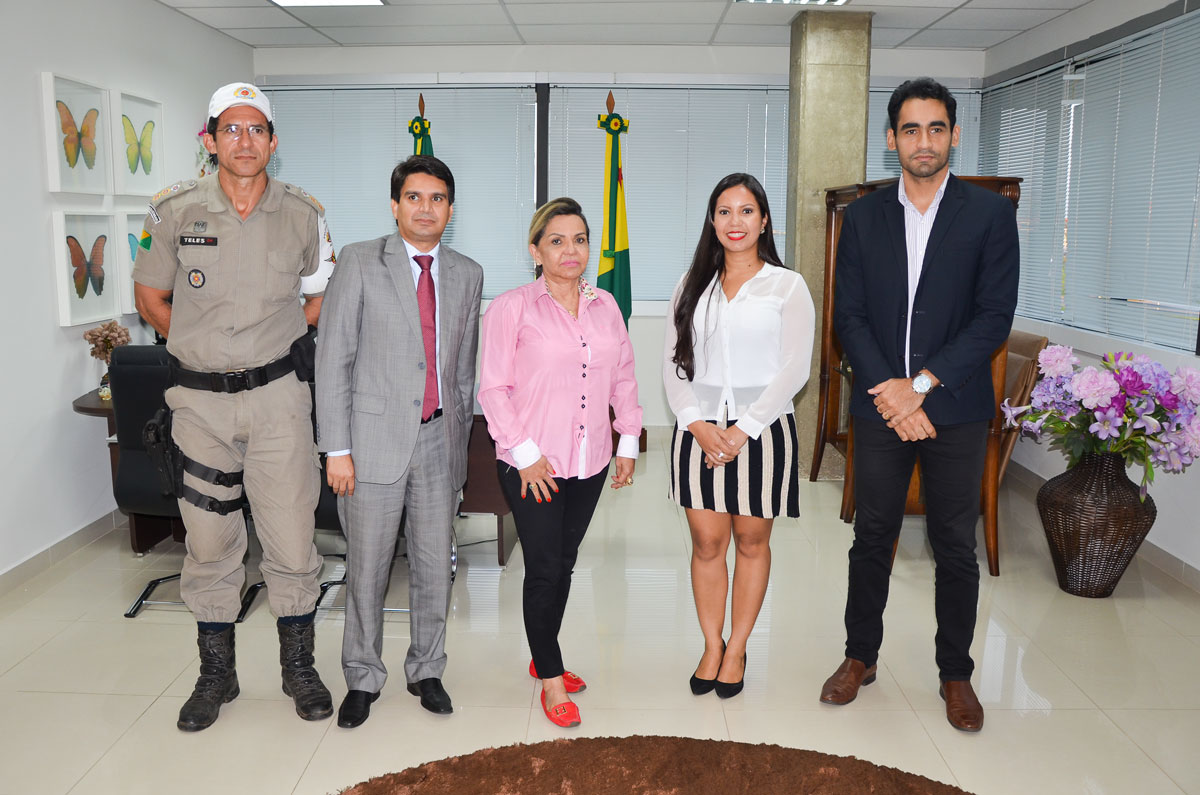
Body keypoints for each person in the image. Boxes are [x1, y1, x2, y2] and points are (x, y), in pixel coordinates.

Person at [132, 82, 337, 732]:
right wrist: (201, 350)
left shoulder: (303, 214)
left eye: (257, 129)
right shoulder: (173, 212)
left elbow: (318, 298)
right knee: (210, 540)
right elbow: (150, 298)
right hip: (200, 409)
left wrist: (267, 349)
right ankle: (216, 675)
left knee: (292, 537)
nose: (245, 140)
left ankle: (298, 667)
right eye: (232, 128)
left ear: (273, 142)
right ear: (211, 139)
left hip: (279, 402)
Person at [821, 78, 1019, 732]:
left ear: (954, 134)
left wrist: (923, 385)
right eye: (911, 129)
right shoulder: (864, 217)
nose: (924, 141)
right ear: (892, 139)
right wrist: (892, 390)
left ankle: (955, 672)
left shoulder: (989, 215)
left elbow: (993, 317)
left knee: (953, 544)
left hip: (954, 407)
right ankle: (860, 656)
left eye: (936, 128)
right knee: (871, 535)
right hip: (881, 406)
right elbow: (849, 315)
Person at [315, 155, 484, 729]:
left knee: (436, 567)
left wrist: (461, 445)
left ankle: (426, 669)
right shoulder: (360, 261)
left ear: (450, 209)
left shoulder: (467, 273)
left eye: (437, 198)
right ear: (395, 205)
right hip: (370, 446)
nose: (425, 208)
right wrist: (337, 449)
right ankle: (362, 676)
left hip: (440, 442)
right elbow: (333, 360)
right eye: (414, 197)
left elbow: (462, 369)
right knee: (367, 569)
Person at [478, 197, 642, 728]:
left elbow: (623, 377)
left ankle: (541, 650)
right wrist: (526, 456)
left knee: (565, 560)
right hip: (532, 462)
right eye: (556, 241)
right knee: (545, 566)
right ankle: (550, 675)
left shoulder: (605, 306)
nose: (570, 251)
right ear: (536, 251)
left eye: (579, 239)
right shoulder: (512, 308)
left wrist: (628, 440)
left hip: (590, 459)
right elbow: (493, 390)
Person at [663, 174, 816, 700]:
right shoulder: (691, 284)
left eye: (747, 211)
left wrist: (742, 430)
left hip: (764, 433)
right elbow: (673, 363)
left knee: (752, 542)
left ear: (764, 220)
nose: (735, 221)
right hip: (698, 432)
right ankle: (712, 645)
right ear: (712, 221)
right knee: (707, 544)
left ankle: (738, 648)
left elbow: (795, 369)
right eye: (724, 211)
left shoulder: (786, 286)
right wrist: (697, 424)